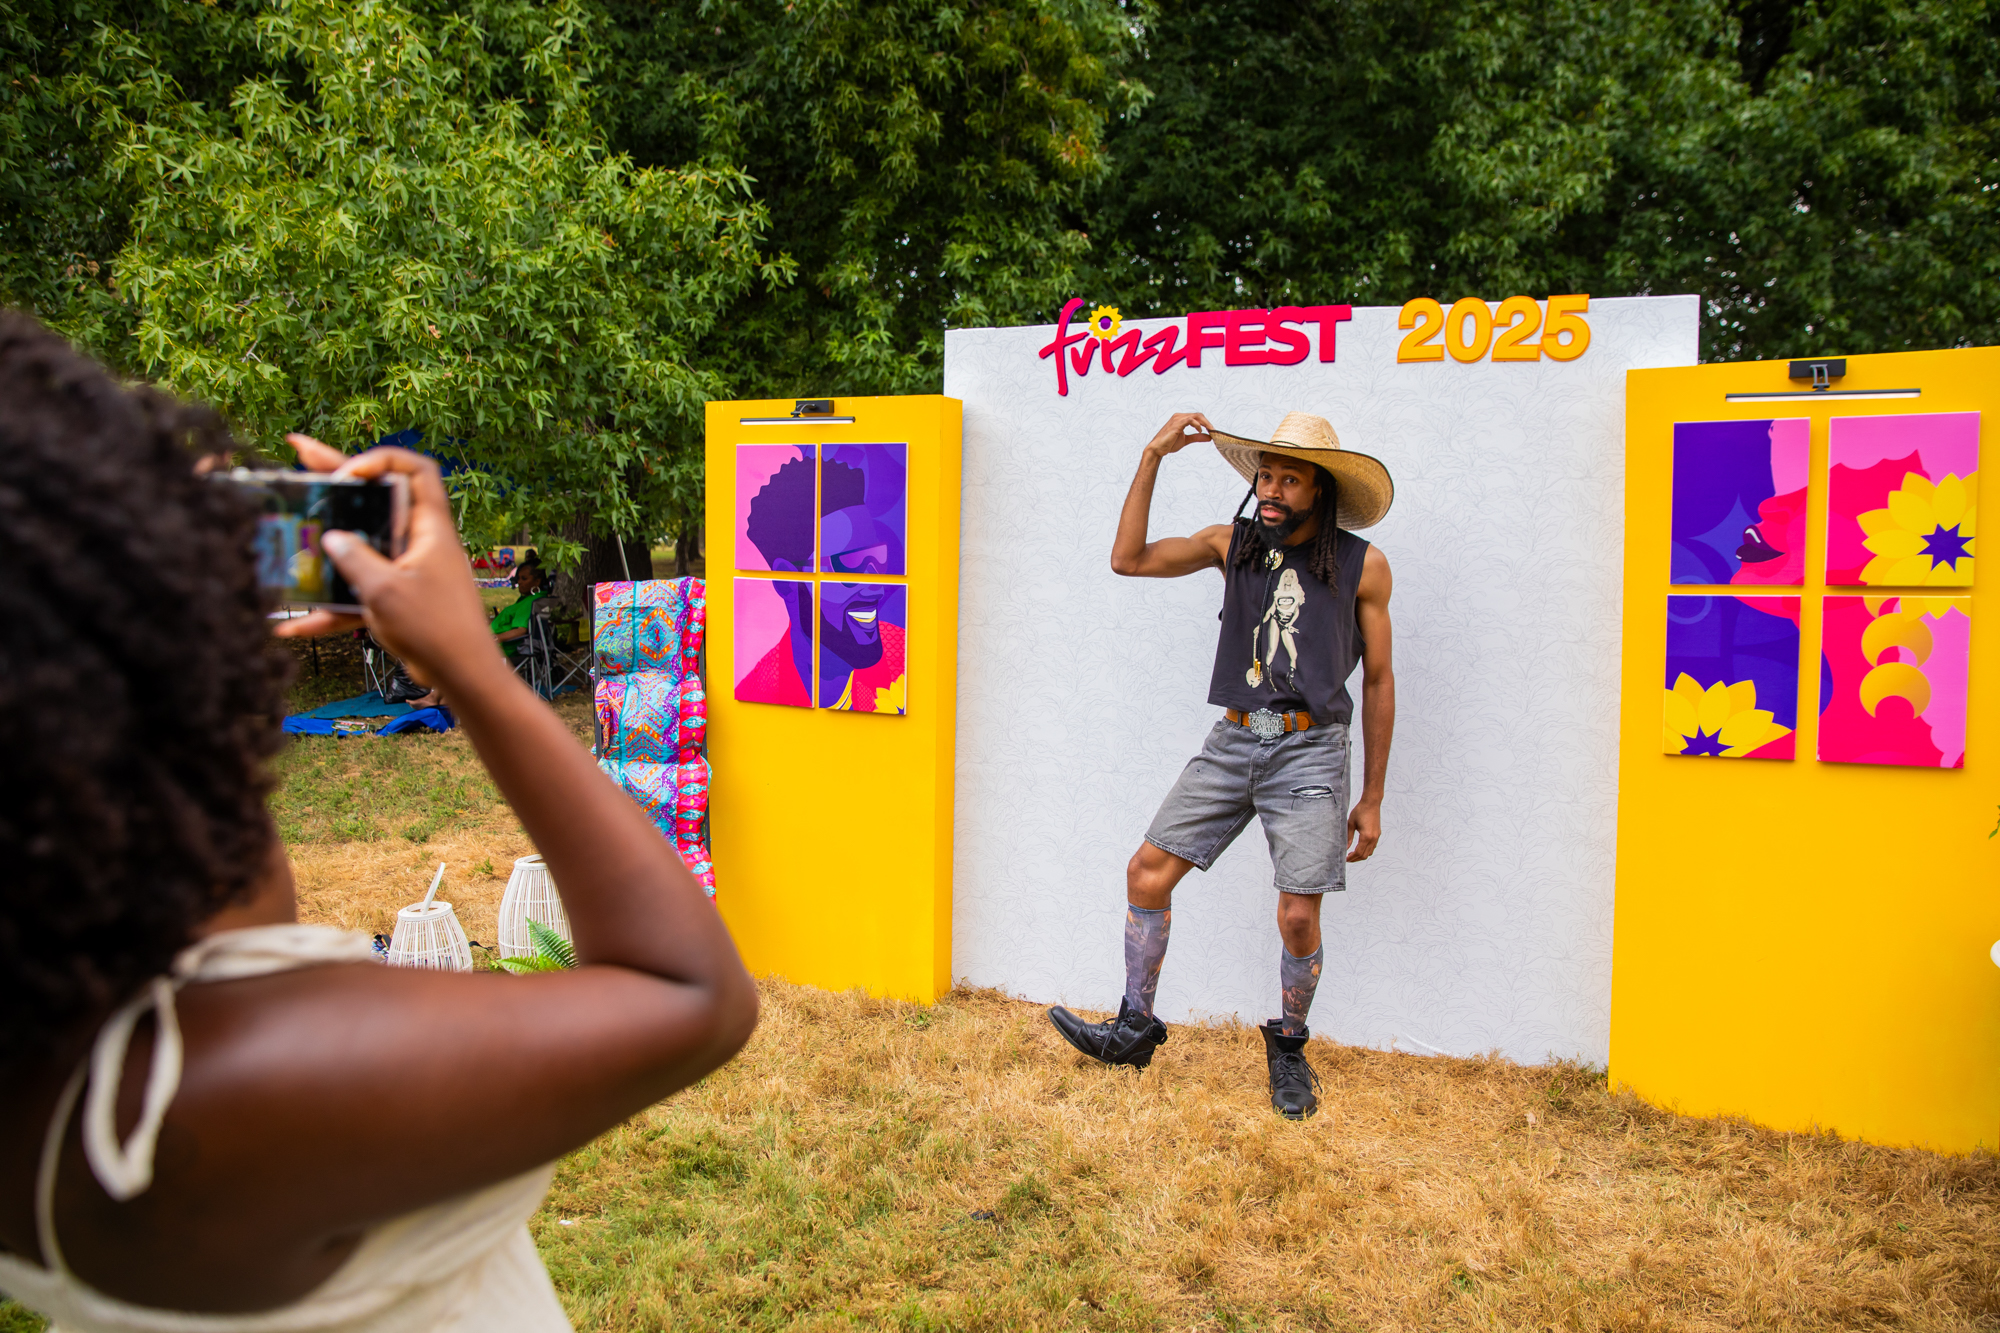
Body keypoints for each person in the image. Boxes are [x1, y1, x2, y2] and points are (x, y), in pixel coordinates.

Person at [0, 312, 757, 1330]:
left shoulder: (53, 1011)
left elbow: (238, 914)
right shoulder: (245, 1088)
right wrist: (469, 667)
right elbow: (692, 995)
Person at [1046, 411, 1396, 1120]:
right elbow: (1127, 558)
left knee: (1297, 915)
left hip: (1310, 748)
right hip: (1233, 740)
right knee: (1146, 872)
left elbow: (1381, 679)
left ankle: (1289, 1049)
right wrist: (1153, 454)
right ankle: (1134, 1028)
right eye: (1265, 475)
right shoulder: (1229, 544)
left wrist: (1373, 795)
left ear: (1321, 490)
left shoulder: (1364, 565)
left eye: (1290, 479)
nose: (1271, 489)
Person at [490, 558, 548, 655]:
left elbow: (521, 630)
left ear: (537, 581)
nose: (519, 582)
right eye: (519, 578)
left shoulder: (531, 602)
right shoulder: (532, 598)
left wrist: (495, 638)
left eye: (524, 579)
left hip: (499, 648)